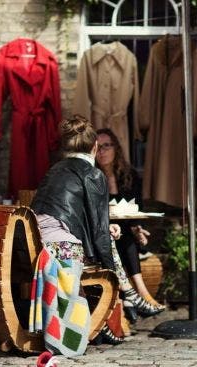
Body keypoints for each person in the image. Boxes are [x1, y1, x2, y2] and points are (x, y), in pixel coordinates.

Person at [29, 116, 155, 352]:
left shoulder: (54, 170)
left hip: (35, 243)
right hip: (61, 250)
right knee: (107, 244)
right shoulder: (93, 174)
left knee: (107, 237)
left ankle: (118, 306)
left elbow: (76, 218)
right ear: (95, 147)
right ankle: (127, 295)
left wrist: (105, 232)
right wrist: (113, 276)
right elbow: (97, 233)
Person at [95, 128, 165, 323]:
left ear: (116, 148)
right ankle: (140, 296)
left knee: (128, 236)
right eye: (98, 147)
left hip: (126, 231)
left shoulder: (129, 175)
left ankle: (131, 299)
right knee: (125, 238)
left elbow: (136, 210)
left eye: (106, 146)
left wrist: (139, 229)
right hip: (102, 232)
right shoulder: (93, 177)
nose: (102, 151)